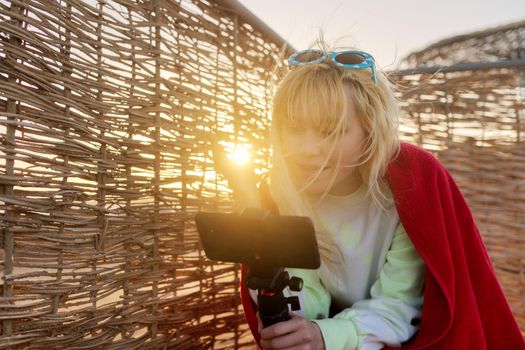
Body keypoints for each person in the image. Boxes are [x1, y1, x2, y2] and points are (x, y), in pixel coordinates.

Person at [219, 42, 524, 349]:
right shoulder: (280, 193)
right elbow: (306, 307)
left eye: (331, 130)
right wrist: (295, 330)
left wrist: (328, 336)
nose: (307, 149)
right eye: (294, 128)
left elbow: (399, 305)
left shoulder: (411, 184)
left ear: (369, 130)